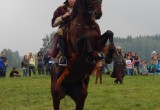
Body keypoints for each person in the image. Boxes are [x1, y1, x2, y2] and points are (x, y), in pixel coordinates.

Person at [51, 0, 76, 66]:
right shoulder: (60, 9)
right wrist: (63, 16)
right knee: (59, 31)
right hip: (65, 28)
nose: (72, 1)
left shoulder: (81, 8)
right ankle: (63, 56)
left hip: (78, 28)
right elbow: (53, 24)